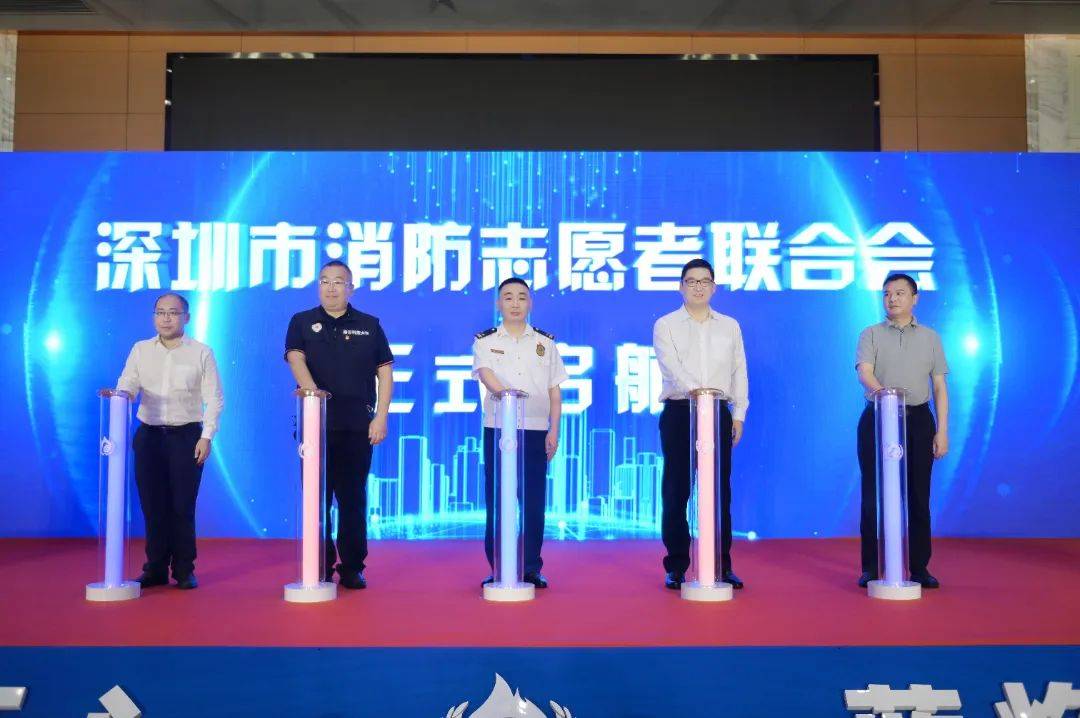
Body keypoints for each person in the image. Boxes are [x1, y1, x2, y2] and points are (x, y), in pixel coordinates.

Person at [285, 260, 394, 590]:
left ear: (351, 289)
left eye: (338, 282)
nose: (330, 287)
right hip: (315, 427)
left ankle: (352, 567)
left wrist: (381, 416)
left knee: (352, 500)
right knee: (316, 500)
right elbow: (295, 358)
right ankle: (318, 563)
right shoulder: (302, 321)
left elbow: (385, 372)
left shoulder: (369, 325)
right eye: (324, 281)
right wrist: (312, 393)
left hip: (356, 426)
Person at [653, 258, 748, 590]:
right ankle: (677, 565)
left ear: (714, 287)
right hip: (680, 412)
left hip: (718, 412)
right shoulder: (666, 324)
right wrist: (700, 393)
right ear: (681, 287)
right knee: (676, 490)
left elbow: (739, 371)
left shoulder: (730, 326)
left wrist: (738, 414)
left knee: (719, 493)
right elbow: (671, 367)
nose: (698, 287)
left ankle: (721, 564)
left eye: (704, 281)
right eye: (691, 281)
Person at [118, 292, 224, 590]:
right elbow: (127, 383)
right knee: (152, 506)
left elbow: (214, 398)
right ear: (154, 316)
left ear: (185, 318)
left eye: (173, 313)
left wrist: (206, 436)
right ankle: (155, 568)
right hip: (149, 436)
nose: (166, 318)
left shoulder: (201, 352)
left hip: (186, 436)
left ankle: (184, 569)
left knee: (182, 505)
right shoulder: (140, 349)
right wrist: (121, 396)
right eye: (160, 312)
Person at [856, 273, 949, 589]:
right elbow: (864, 372)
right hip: (878, 418)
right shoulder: (870, 334)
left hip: (919, 420)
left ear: (914, 298)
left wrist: (942, 430)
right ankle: (871, 567)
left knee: (919, 496)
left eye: (899, 293)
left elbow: (939, 386)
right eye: (886, 294)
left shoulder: (930, 337)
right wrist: (885, 396)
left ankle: (919, 568)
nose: (892, 299)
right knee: (874, 496)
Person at [472, 277, 567, 589]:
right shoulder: (484, 341)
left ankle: (530, 568)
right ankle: (499, 566)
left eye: (522, 297)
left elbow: (554, 392)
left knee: (533, 503)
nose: (515, 303)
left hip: (536, 429)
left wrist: (554, 430)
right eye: (508, 297)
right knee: (499, 501)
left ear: (530, 303)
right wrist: (507, 394)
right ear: (499, 304)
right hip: (499, 429)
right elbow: (485, 374)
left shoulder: (545, 343)